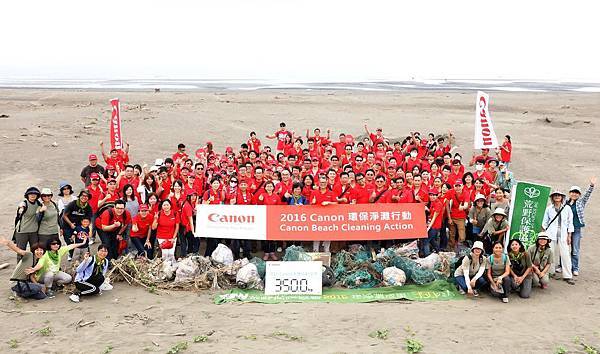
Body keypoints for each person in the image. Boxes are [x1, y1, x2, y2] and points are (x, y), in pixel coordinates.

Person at [542, 190, 575, 285]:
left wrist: (569, 235)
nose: (557, 197)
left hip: (563, 234)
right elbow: (545, 222)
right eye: (555, 195)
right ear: (552, 198)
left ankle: (568, 275)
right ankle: (550, 272)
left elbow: (570, 222)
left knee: (565, 254)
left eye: (559, 195)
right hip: (551, 234)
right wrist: (543, 234)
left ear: (562, 197)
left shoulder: (567, 208)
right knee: (550, 253)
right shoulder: (549, 209)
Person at [566, 177, 595, 276]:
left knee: (575, 249)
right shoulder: (565, 203)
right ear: (569, 193)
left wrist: (591, 186)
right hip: (566, 229)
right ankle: (562, 266)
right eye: (572, 192)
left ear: (579, 195)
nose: (574, 194)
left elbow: (587, 195)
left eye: (576, 193)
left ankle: (575, 268)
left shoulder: (580, 202)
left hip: (576, 229)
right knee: (564, 248)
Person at [62, 190, 93, 260]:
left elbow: (90, 220)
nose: (84, 197)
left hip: (79, 226)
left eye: (86, 196)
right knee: (70, 240)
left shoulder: (88, 207)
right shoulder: (73, 204)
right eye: (83, 196)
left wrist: (90, 230)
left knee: (81, 239)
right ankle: (70, 253)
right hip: (68, 225)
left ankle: (84, 254)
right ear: (79, 196)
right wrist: (70, 224)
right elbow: (64, 215)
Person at [14, 187, 42, 261]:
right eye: (30, 194)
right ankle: (20, 269)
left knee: (35, 251)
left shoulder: (38, 203)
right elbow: (20, 209)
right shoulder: (25, 203)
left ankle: (34, 267)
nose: (33, 195)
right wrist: (20, 208)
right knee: (21, 251)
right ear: (27, 195)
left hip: (34, 231)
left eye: (35, 194)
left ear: (37, 195)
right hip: (22, 231)